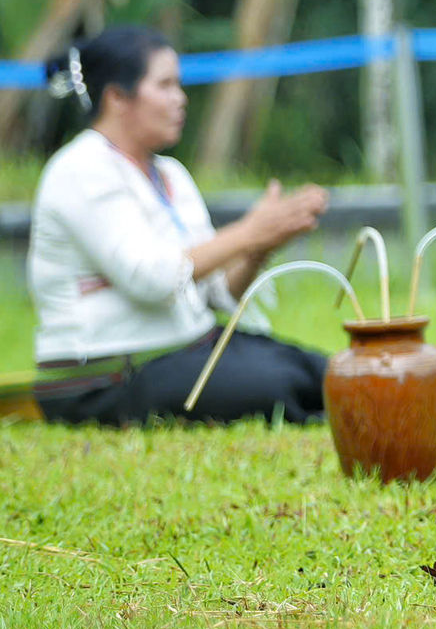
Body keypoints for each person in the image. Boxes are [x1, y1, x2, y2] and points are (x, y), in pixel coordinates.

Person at [30, 26, 329, 427]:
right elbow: (151, 279)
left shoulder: (170, 174)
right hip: (105, 378)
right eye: (165, 85)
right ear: (117, 97)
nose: (180, 99)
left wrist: (261, 245)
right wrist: (247, 233)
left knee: (321, 370)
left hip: (184, 350)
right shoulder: (80, 170)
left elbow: (217, 293)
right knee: (278, 385)